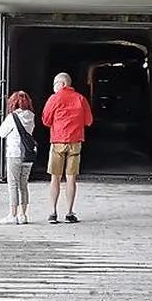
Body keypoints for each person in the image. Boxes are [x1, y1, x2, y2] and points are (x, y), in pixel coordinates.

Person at [41, 72, 93, 224]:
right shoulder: (80, 99)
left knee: (55, 177)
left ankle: (53, 212)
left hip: (57, 141)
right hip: (75, 142)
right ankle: (69, 213)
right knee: (71, 178)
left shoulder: (54, 98)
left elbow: (45, 120)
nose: (54, 88)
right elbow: (88, 121)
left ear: (62, 84)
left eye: (55, 84)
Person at [0, 90, 36, 224]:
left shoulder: (12, 117)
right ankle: (23, 215)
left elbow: (1, 133)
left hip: (14, 154)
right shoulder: (31, 116)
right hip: (28, 155)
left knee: (13, 184)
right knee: (23, 184)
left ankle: (12, 215)